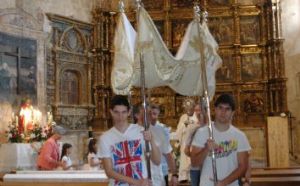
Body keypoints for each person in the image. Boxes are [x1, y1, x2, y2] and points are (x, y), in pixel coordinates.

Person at [98, 95, 161, 186]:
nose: (120, 117)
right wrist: (136, 182)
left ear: (129, 112)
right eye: (116, 112)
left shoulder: (140, 131)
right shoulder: (105, 138)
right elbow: (109, 171)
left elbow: (157, 161)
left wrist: (151, 140)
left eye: (123, 112)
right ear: (111, 112)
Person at [191, 94, 251, 186]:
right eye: (220, 108)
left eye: (227, 109)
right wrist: (206, 149)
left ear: (232, 112)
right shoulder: (202, 133)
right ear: (215, 109)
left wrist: (223, 183)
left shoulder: (239, 136)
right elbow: (194, 163)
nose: (223, 112)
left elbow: (243, 166)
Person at [148, 104, 178, 186]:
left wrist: (174, 174)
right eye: (150, 113)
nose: (152, 116)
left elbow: (168, 154)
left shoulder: (161, 130)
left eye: (155, 114)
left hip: (161, 171)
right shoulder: (139, 129)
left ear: (158, 115)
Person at [175, 98, 198, 182]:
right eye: (186, 108)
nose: (188, 109)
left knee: (192, 159)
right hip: (185, 141)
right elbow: (179, 129)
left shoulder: (197, 115)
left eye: (190, 107)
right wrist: (184, 125)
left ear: (193, 107)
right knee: (184, 159)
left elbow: (198, 126)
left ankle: (192, 176)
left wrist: (192, 124)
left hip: (193, 141)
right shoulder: (183, 117)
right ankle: (184, 176)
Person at [184, 103, 207, 186]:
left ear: (205, 111)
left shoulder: (211, 126)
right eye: (196, 110)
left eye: (200, 110)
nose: (198, 112)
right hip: (195, 168)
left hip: (208, 166)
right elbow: (186, 150)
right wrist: (195, 157)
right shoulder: (191, 127)